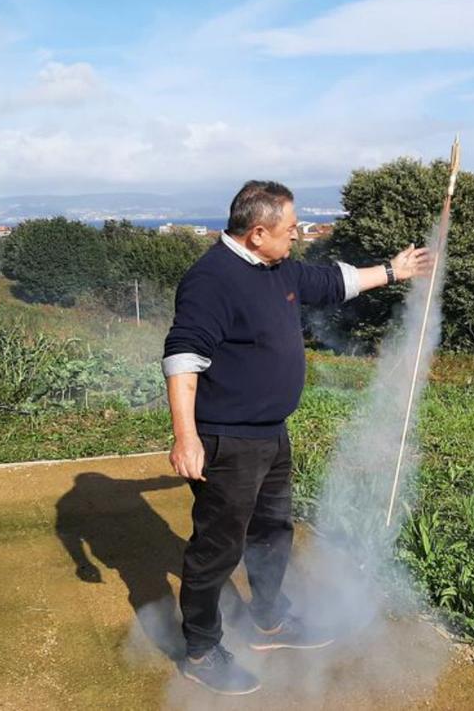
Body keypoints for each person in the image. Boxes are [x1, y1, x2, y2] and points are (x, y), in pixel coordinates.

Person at [162, 180, 431, 695]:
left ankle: (269, 621)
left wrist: (395, 271)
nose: (298, 237)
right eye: (291, 230)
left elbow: (334, 281)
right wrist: (185, 438)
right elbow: (182, 358)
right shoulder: (211, 280)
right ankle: (200, 649)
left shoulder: (276, 266)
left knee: (272, 533)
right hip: (227, 439)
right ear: (258, 232)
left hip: (270, 434)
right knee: (217, 548)